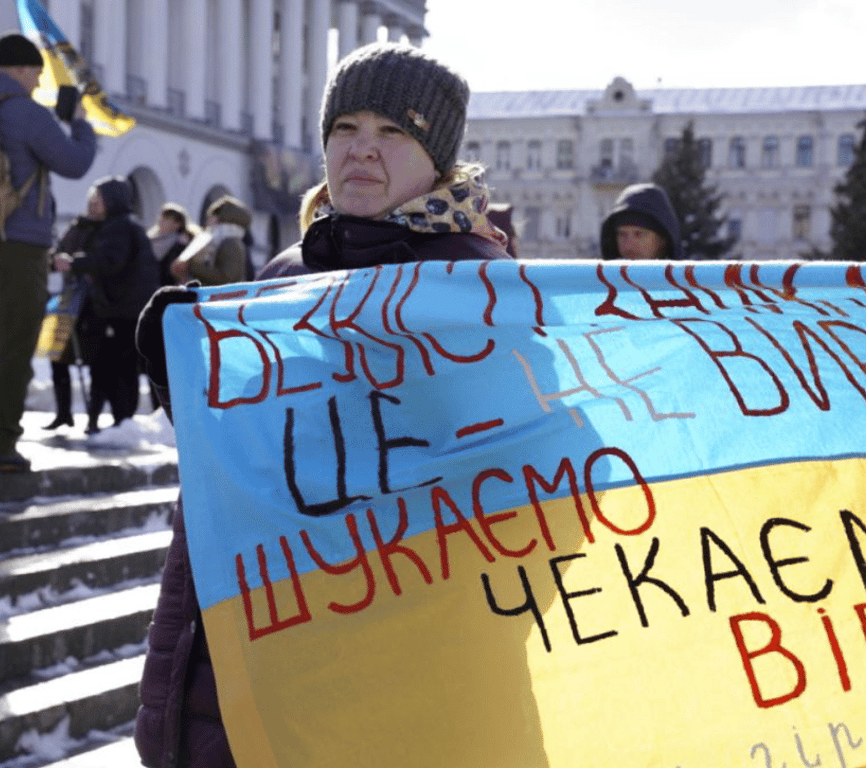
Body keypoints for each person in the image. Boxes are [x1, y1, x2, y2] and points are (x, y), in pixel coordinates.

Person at [131, 42, 511, 768]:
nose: (363, 151)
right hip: (234, 662)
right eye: (345, 128)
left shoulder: (483, 294)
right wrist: (184, 380)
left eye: (394, 132)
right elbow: (246, 466)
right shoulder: (284, 276)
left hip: (379, 692)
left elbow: (536, 500)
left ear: (438, 158)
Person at [0, 31, 98, 473]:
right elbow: (73, 163)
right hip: (19, 245)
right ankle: (3, 444)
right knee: (14, 347)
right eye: (38, 75)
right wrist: (79, 122)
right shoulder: (26, 112)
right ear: (26, 69)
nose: (38, 84)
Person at [54, 176, 158, 435]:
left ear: (112, 200)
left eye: (98, 199)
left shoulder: (118, 227)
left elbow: (110, 261)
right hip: (119, 309)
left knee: (115, 368)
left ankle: (119, 422)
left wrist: (75, 264)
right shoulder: (120, 226)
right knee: (110, 366)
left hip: (118, 310)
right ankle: (108, 421)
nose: (93, 204)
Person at [44, 192, 105, 430]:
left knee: (95, 360)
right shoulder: (76, 226)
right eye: (90, 203)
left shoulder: (110, 230)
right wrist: (56, 259)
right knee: (54, 354)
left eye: (97, 203)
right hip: (67, 297)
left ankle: (93, 417)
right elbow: (57, 253)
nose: (92, 207)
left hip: (93, 301)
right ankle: (63, 412)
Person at [167, 195, 251, 286]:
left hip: (223, 297)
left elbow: (226, 277)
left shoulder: (230, 243)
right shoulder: (222, 240)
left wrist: (191, 267)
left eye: (212, 216)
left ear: (222, 218)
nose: (208, 222)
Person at [598, 181, 683, 260]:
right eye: (622, 235)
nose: (628, 246)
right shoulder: (596, 276)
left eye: (639, 234)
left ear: (662, 239)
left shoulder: (690, 275)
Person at [148, 203, 196, 287]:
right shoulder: (151, 239)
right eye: (161, 217)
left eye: (166, 218)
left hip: (168, 288)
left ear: (177, 224)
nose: (161, 220)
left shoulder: (182, 244)